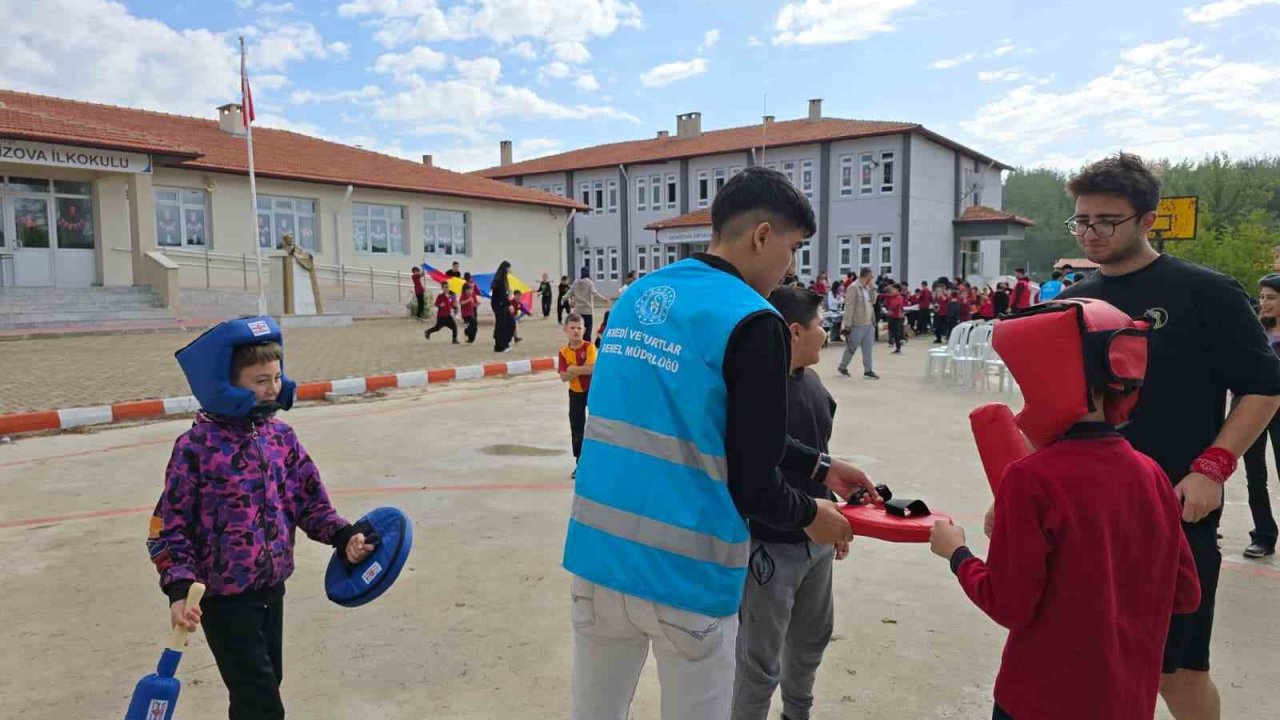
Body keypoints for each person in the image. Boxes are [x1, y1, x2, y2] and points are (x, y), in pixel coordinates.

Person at [562, 167, 877, 720]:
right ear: (761, 235)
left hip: (598, 558)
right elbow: (755, 484)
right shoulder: (754, 320)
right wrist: (813, 516)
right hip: (685, 576)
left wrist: (820, 465)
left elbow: (704, 425)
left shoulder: (639, 296)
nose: (791, 267)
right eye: (793, 248)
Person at [1056, 152, 1280, 720]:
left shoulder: (1205, 292)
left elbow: (1262, 387)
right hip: (1087, 513)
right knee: (1087, 660)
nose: (1091, 233)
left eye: (1107, 221)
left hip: (1175, 510)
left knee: (1176, 672)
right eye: (1081, 220)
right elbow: (1057, 408)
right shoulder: (1070, 301)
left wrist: (1213, 468)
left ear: (1148, 220)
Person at [930, 300, 1200, 720]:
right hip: (1128, 698)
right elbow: (1185, 593)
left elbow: (1008, 605)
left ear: (1047, 379)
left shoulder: (1032, 479)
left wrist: (957, 555)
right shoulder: (1151, 473)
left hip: (1041, 699)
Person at [147, 319, 375, 720]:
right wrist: (179, 589)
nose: (273, 388)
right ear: (227, 384)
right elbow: (169, 529)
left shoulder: (280, 437)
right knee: (262, 702)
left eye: (277, 376)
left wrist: (345, 537)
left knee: (262, 690)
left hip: (271, 591)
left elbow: (310, 502)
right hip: (222, 600)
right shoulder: (197, 447)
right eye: (260, 380)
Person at [732, 286, 849, 720]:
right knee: (759, 661)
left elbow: (816, 457)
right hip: (772, 545)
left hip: (817, 543)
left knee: (811, 641)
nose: (826, 332)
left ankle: (796, 713)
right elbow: (757, 467)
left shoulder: (816, 387)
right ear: (795, 331)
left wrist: (834, 514)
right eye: (821, 325)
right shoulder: (760, 393)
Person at [1240, 273, 1280, 558]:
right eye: (1263, 297)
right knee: (1255, 475)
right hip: (1250, 408)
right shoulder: (1254, 330)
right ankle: (1263, 535)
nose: (1264, 303)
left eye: (1271, 298)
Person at [558, 313, 597, 476]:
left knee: (597, 425)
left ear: (584, 330)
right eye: (572, 328)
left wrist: (572, 368)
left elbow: (592, 368)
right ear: (565, 330)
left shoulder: (589, 347)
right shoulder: (563, 352)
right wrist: (579, 370)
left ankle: (598, 460)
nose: (576, 331)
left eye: (579, 328)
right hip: (575, 393)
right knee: (577, 427)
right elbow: (563, 376)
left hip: (593, 392)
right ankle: (579, 461)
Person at [837, 268, 878, 379]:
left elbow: (873, 301)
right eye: (871, 277)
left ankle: (868, 370)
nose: (872, 279)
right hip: (857, 323)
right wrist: (847, 325)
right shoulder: (853, 288)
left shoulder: (868, 288)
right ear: (867, 276)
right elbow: (849, 307)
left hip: (868, 322)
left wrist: (873, 289)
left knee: (868, 348)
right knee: (852, 347)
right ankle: (843, 366)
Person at [569, 267, 611, 342]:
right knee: (587, 332)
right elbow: (595, 293)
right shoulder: (589, 282)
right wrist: (604, 299)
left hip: (578, 311)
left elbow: (569, 292)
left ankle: (577, 345)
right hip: (587, 311)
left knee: (578, 330)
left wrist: (563, 298)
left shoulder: (575, 282)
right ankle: (587, 348)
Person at [424, 279, 459, 344]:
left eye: (448, 287)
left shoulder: (450, 296)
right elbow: (436, 304)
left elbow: (452, 305)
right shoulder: (440, 296)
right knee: (437, 328)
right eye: (445, 287)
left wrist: (455, 308)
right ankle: (428, 331)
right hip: (441, 316)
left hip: (448, 316)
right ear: (442, 288)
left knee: (454, 327)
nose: (447, 288)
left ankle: (454, 340)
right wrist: (440, 305)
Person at [491, 261, 515, 353]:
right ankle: (499, 346)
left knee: (510, 323)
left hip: (503, 303)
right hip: (500, 305)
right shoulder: (500, 280)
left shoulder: (504, 279)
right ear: (505, 268)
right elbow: (501, 295)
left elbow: (504, 294)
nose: (510, 270)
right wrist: (509, 305)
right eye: (509, 268)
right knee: (502, 325)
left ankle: (505, 343)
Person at [883, 283, 905, 354]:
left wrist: (891, 310)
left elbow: (895, 305)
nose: (891, 291)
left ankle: (899, 347)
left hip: (897, 317)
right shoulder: (891, 297)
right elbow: (886, 303)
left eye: (893, 289)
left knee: (897, 333)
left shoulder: (899, 297)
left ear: (897, 290)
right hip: (892, 317)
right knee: (892, 332)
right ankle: (895, 345)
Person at [460, 278, 480, 344]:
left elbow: (472, 306)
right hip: (466, 315)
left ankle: (471, 339)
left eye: (470, 289)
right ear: (465, 290)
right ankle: (467, 337)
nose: (470, 291)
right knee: (468, 326)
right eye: (468, 290)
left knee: (474, 326)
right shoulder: (463, 296)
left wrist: (476, 304)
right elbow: (461, 303)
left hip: (471, 313)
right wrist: (468, 300)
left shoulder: (472, 296)